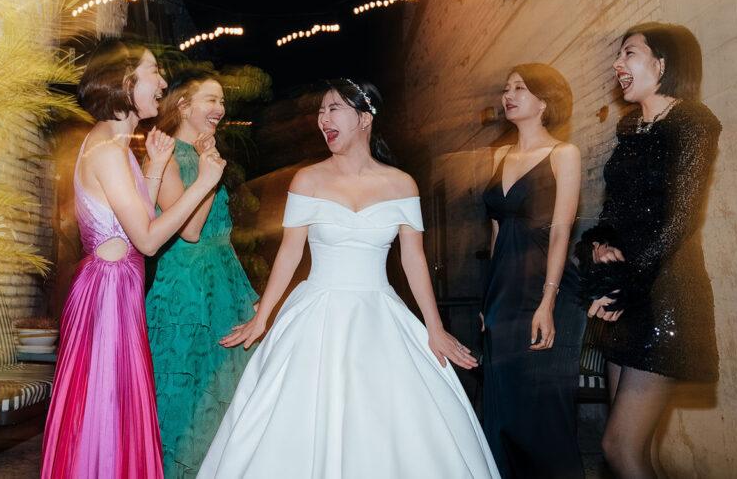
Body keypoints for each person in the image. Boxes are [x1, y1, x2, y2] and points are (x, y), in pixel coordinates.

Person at [197, 79, 499, 479]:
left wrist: (435, 328)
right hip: (316, 312)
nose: (323, 119)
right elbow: (290, 254)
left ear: (365, 117)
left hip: (380, 313)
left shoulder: (401, 184)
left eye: (334, 108)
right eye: (321, 111)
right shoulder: (307, 179)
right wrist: (263, 317)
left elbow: (413, 260)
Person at [41, 39, 226, 479]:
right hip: (106, 298)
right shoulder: (106, 146)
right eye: (153, 72)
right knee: (105, 413)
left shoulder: (117, 146)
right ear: (124, 82)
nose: (163, 82)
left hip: (116, 293)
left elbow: (132, 219)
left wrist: (157, 166)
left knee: (116, 412)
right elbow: (145, 238)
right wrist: (204, 183)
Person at [582, 22, 720, 478]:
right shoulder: (630, 127)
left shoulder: (694, 121)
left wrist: (629, 280)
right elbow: (616, 211)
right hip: (629, 295)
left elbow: (682, 218)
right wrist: (602, 245)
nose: (617, 65)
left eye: (629, 54)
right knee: (633, 453)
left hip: (666, 294)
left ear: (662, 63)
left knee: (619, 446)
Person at [145, 69, 259, 478]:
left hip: (223, 283)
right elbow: (190, 231)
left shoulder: (204, 154)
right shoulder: (167, 154)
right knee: (187, 394)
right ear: (183, 105)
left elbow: (220, 235)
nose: (221, 109)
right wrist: (210, 175)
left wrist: (245, 290)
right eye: (211, 99)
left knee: (227, 389)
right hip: (186, 290)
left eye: (222, 102)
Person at [481, 63, 585, 478]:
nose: (509, 94)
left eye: (520, 88)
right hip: (502, 297)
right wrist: (485, 302)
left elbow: (561, 232)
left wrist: (548, 300)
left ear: (544, 101)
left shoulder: (564, 154)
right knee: (503, 411)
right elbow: (494, 236)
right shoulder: (498, 154)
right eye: (507, 88)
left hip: (548, 292)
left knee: (545, 414)